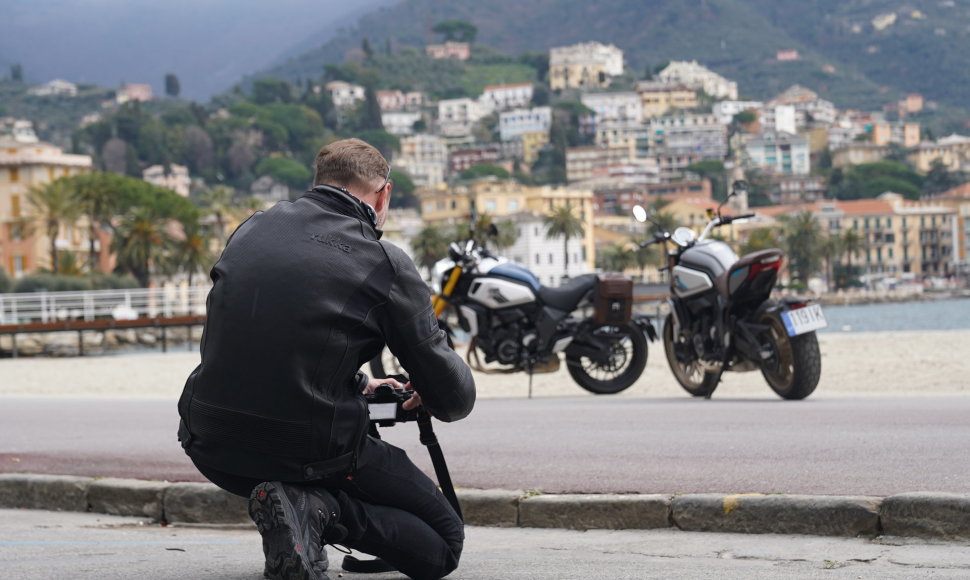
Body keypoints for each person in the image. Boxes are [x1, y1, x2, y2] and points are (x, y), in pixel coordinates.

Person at [177, 138, 476, 580]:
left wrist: (355, 385)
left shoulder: (253, 228)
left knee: (315, 450)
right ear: (383, 194)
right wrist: (428, 387)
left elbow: (268, 342)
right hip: (306, 448)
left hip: (210, 442)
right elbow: (453, 401)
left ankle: (296, 510)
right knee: (442, 545)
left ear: (319, 183)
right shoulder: (383, 261)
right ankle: (320, 509)